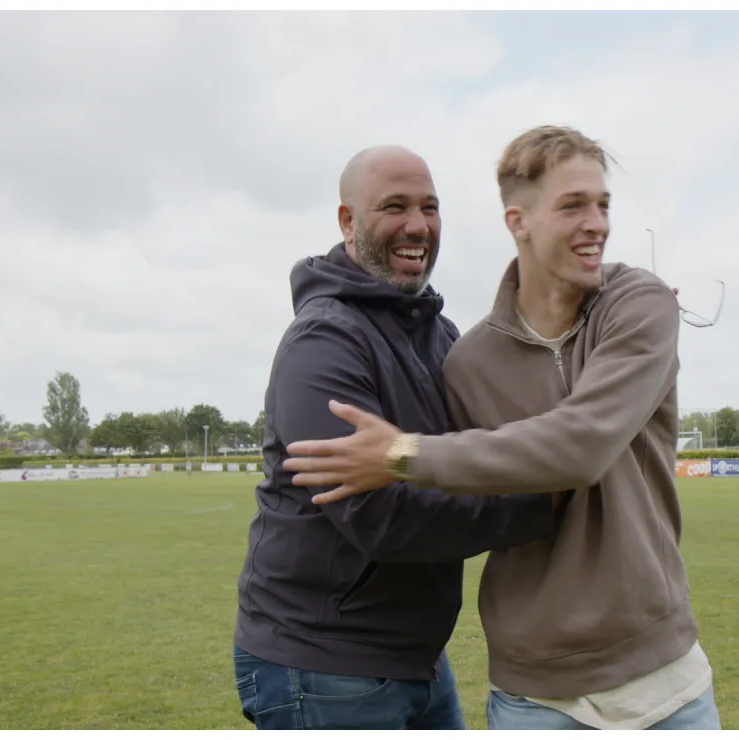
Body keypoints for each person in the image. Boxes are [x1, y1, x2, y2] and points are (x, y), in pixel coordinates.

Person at [283, 125, 722, 731]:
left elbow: (581, 445)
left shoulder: (639, 303)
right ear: (518, 222)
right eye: (573, 206)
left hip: (666, 677)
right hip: (532, 693)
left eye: (603, 205)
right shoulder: (466, 361)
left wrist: (402, 454)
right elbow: (446, 485)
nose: (596, 224)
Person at [233, 144, 558, 731]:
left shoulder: (437, 333)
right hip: (323, 664)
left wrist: (602, 328)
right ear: (347, 221)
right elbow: (379, 515)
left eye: (430, 207)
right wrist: (542, 505)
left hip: (414, 657)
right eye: (394, 207)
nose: (418, 226)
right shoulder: (324, 342)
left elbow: (500, 427)